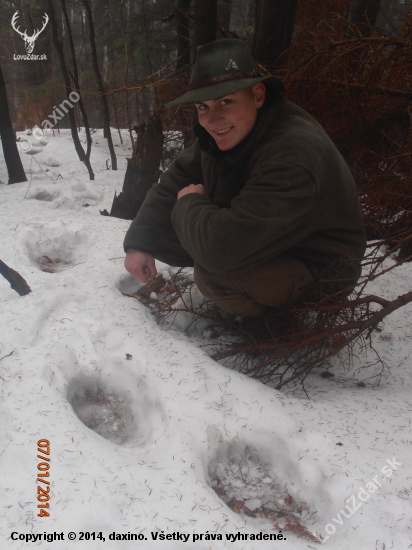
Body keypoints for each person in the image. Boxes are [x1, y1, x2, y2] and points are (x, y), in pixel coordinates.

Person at [123, 39, 366, 317]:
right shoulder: (231, 131)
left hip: (317, 266)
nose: (213, 120)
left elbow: (218, 251)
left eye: (225, 102)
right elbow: (177, 176)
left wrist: (189, 204)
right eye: (203, 107)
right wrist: (140, 241)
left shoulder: (294, 155)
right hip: (271, 237)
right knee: (161, 233)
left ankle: (276, 323)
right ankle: (245, 273)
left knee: (213, 274)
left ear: (258, 95)